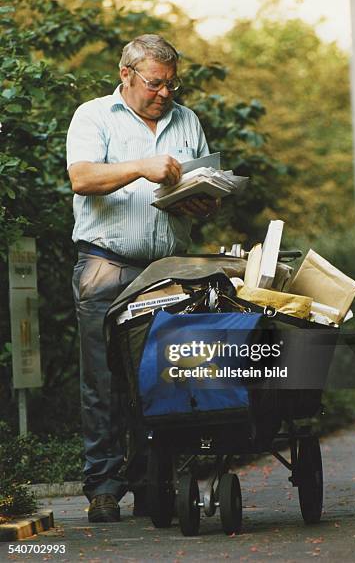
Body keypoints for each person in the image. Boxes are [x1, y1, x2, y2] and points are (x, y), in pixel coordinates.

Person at [66, 34, 218, 523]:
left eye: (172, 84)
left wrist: (203, 201)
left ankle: (152, 480)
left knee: (164, 379)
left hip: (166, 272)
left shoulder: (187, 120)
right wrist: (141, 167)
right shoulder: (93, 116)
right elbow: (83, 179)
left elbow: (203, 187)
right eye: (156, 83)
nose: (166, 94)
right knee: (104, 380)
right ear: (126, 74)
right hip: (106, 266)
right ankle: (104, 487)